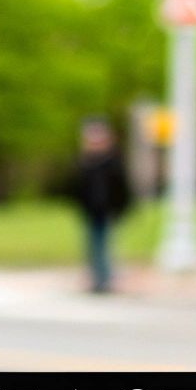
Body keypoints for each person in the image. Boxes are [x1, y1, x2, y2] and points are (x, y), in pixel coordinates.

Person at [70, 118, 131, 294]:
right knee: (93, 245)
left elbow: (120, 188)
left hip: (107, 210)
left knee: (105, 244)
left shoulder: (112, 162)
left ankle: (105, 278)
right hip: (91, 211)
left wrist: (120, 208)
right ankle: (97, 277)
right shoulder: (85, 162)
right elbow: (78, 187)